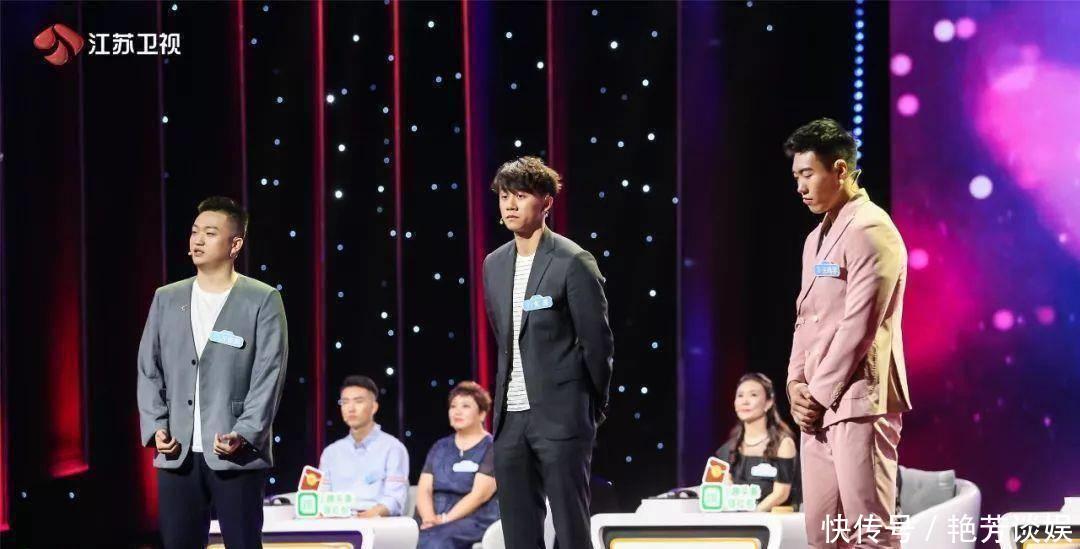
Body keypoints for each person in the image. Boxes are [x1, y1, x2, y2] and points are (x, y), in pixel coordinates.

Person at [783, 119, 912, 548]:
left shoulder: (871, 228)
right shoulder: (814, 240)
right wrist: (795, 384)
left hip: (857, 400)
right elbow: (806, 319)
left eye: (808, 174)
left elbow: (860, 324)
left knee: (869, 532)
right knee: (822, 535)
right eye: (796, 177)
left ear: (840, 170)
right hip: (816, 406)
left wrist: (817, 395)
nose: (800, 187)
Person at [137, 196, 289, 549]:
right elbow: (148, 369)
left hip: (235, 453)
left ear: (235, 244)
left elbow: (269, 375)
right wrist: (157, 426)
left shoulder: (262, 299)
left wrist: (245, 432)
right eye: (195, 232)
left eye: (209, 233)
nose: (198, 240)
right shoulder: (166, 298)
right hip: (177, 453)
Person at [482, 156, 615, 549]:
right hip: (510, 420)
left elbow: (598, 342)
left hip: (562, 416)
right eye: (504, 196)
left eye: (521, 196)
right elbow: (504, 337)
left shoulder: (572, 261)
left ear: (546, 203)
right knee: (519, 532)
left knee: (570, 528)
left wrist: (589, 405)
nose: (510, 205)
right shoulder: (494, 264)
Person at [416, 381, 500, 549]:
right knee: (402, 537)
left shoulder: (493, 447)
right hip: (434, 516)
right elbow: (424, 489)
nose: (457, 411)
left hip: (473, 518)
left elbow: (479, 495)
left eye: (465, 406)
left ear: (482, 414)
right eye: (453, 406)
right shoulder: (440, 446)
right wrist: (429, 518)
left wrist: (445, 519)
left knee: (435, 541)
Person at [318, 375, 409, 517]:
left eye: (358, 401)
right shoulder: (331, 452)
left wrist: (368, 516)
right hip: (336, 521)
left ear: (374, 407)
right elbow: (322, 495)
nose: (351, 408)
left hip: (377, 522)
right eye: (345, 402)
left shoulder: (393, 448)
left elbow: (395, 499)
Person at [714, 373, 798, 512]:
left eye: (753, 395)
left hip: (773, 520)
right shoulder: (728, 449)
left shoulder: (783, 444)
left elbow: (781, 493)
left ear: (768, 403)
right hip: (737, 519)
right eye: (740, 396)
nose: (745, 401)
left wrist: (754, 516)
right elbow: (725, 489)